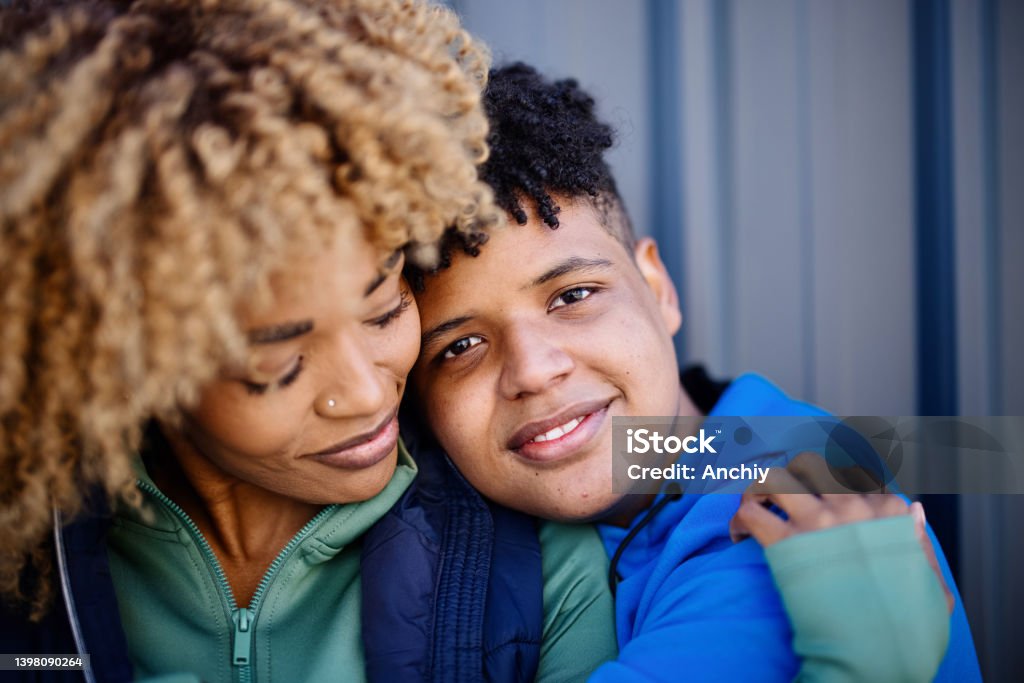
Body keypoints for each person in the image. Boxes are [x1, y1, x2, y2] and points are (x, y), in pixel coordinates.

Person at [0, 5, 616, 682]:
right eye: (279, 363)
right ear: (131, 357)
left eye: (384, 310)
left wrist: (751, 447)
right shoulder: (30, 582)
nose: (365, 391)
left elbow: (711, 450)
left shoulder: (534, 567)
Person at [408, 62, 982, 681]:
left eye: (573, 296)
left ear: (657, 286)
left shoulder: (783, 518)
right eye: (461, 344)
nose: (533, 370)